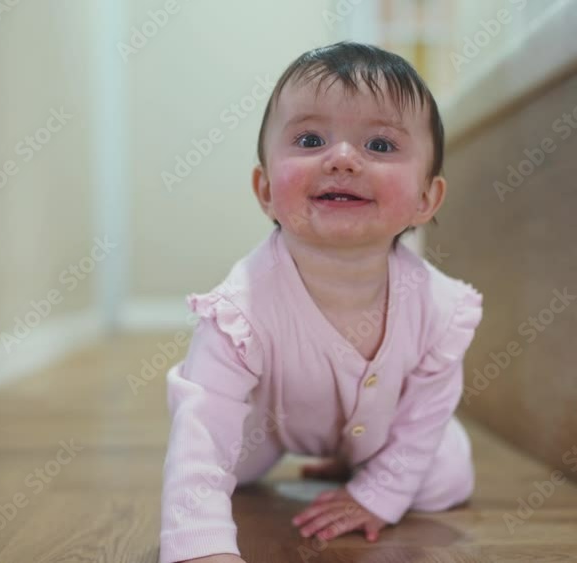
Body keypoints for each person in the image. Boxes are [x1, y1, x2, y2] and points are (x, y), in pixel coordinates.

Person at [158, 41, 483, 563]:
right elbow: (205, 428)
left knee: (448, 474)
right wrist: (201, 547)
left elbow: (426, 410)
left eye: (380, 144)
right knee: (212, 459)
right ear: (265, 188)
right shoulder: (240, 308)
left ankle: (360, 462)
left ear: (426, 198)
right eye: (310, 140)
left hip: (382, 430)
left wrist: (376, 495)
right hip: (263, 425)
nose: (343, 159)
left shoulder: (439, 307)